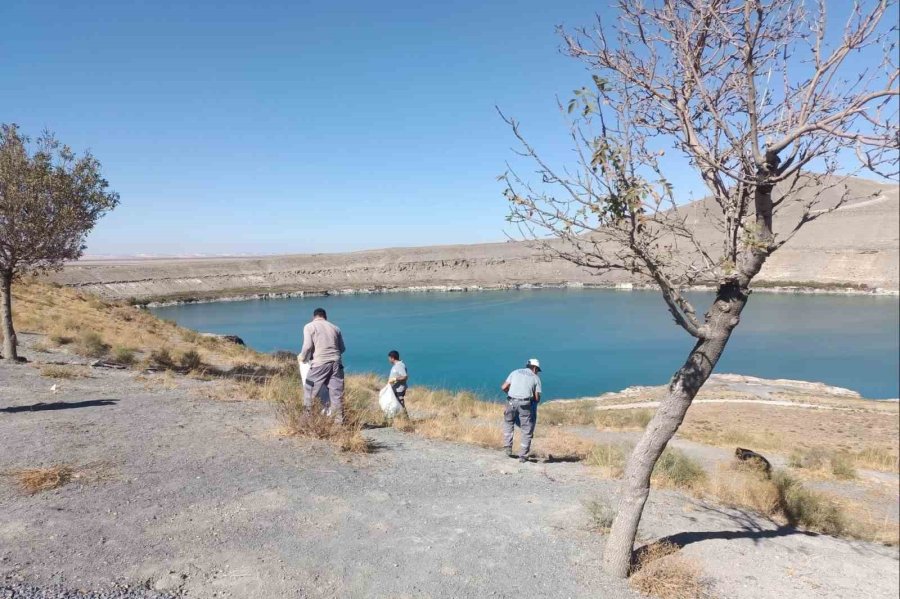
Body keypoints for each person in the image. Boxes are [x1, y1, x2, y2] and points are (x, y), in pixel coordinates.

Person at [299, 308, 346, 424]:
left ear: (314, 317)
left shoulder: (309, 326)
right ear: (325, 316)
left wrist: (303, 358)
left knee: (309, 391)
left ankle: (306, 421)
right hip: (336, 364)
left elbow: (307, 346)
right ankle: (338, 423)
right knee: (336, 395)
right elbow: (342, 349)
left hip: (320, 363)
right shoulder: (335, 328)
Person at [500, 358, 542, 463]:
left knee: (509, 423)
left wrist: (512, 394)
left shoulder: (515, 372)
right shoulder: (535, 378)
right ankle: (523, 456)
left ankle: (507, 447)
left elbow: (503, 387)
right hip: (525, 404)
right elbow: (537, 398)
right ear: (534, 368)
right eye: (537, 370)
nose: (537, 372)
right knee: (526, 429)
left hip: (511, 401)